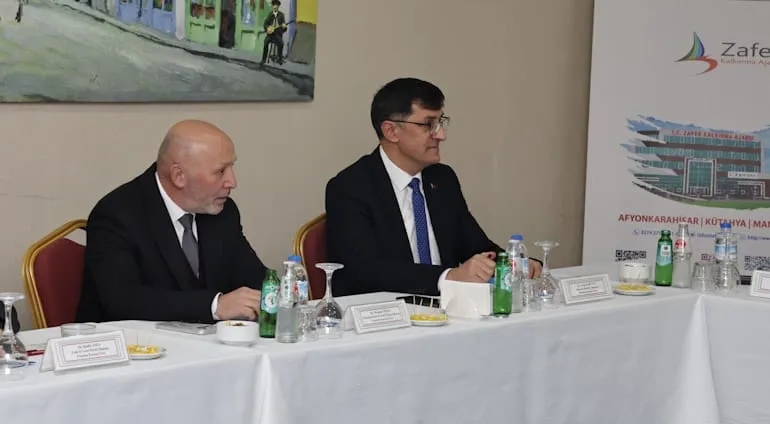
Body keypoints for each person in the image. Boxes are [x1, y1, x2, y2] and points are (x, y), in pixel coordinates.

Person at [325, 77, 542, 297]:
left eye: (440, 123)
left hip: (448, 307)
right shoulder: (350, 188)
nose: (441, 135)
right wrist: (447, 277)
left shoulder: (442, 178)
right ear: (391, 131)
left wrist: (514, 264)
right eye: (429, 125)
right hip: (385, 309)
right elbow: (365, 271)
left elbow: (476, 246)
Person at [76, 120, 266, 324]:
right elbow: (123, 300)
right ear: (179, 176)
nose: (232, 182)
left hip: (205, 340)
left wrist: (279, 295)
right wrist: (214, 306)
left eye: (231, 167)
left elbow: (255, 278)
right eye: (220, 171)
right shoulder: (117, 214)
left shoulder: (222, 212)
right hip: (132, 340)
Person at [260, 0, 287, 65]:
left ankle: (280, 59)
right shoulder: (270, 14)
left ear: (278, 6)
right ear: (273, 6)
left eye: (276, 5)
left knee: (281, 43)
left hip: (277, 34)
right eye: (274, 5)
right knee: (265, 42)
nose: (275, 6)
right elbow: (265, 24)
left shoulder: (281, 15)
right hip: (270, 35)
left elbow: (284, 26)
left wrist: (284, 27)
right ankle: (263, 59)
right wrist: (268, 28)